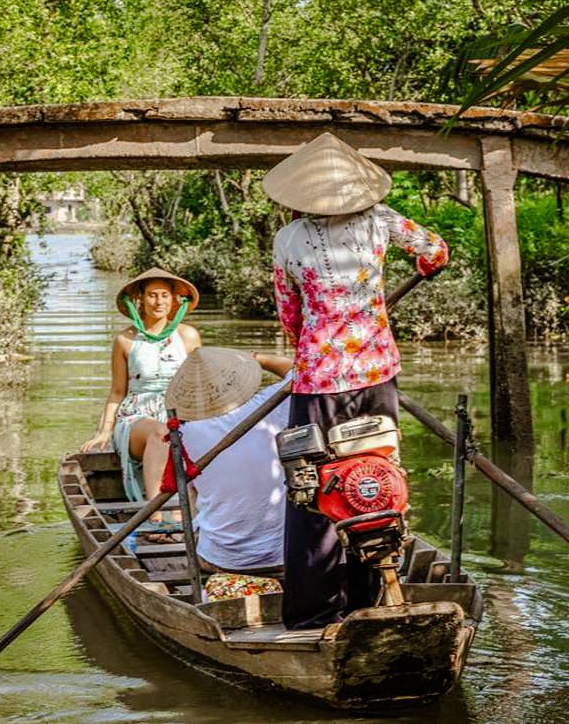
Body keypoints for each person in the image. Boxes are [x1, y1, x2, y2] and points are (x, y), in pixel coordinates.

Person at [264, 132, 448, 629]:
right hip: (375, 376)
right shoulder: (382, 221)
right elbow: (436, 252)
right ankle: (368, 600)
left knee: (313, 492)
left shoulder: (288, 239)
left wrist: (315, 343)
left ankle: (310, 613)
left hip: (317, 382)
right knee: (372, 483)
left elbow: (290, 316)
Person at [164, 346, 292, 576]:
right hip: (288, 554)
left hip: (223, 560)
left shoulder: (183, 433)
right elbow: (299, 372)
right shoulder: (270, 404)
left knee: (196, 502)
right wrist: (257, 358)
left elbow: (190, 494)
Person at [81, 268, 201, 502]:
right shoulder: (125, 340)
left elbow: (199, 387)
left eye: (165, 295)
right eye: (152, 295)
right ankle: (156, 515)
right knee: (161, 433)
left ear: (174, 299)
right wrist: (104, 431)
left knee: (183, 433)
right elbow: (117, 392)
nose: (159, 302)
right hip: (136, 418)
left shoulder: (188, 336)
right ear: (140, 299)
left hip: (180, 414)